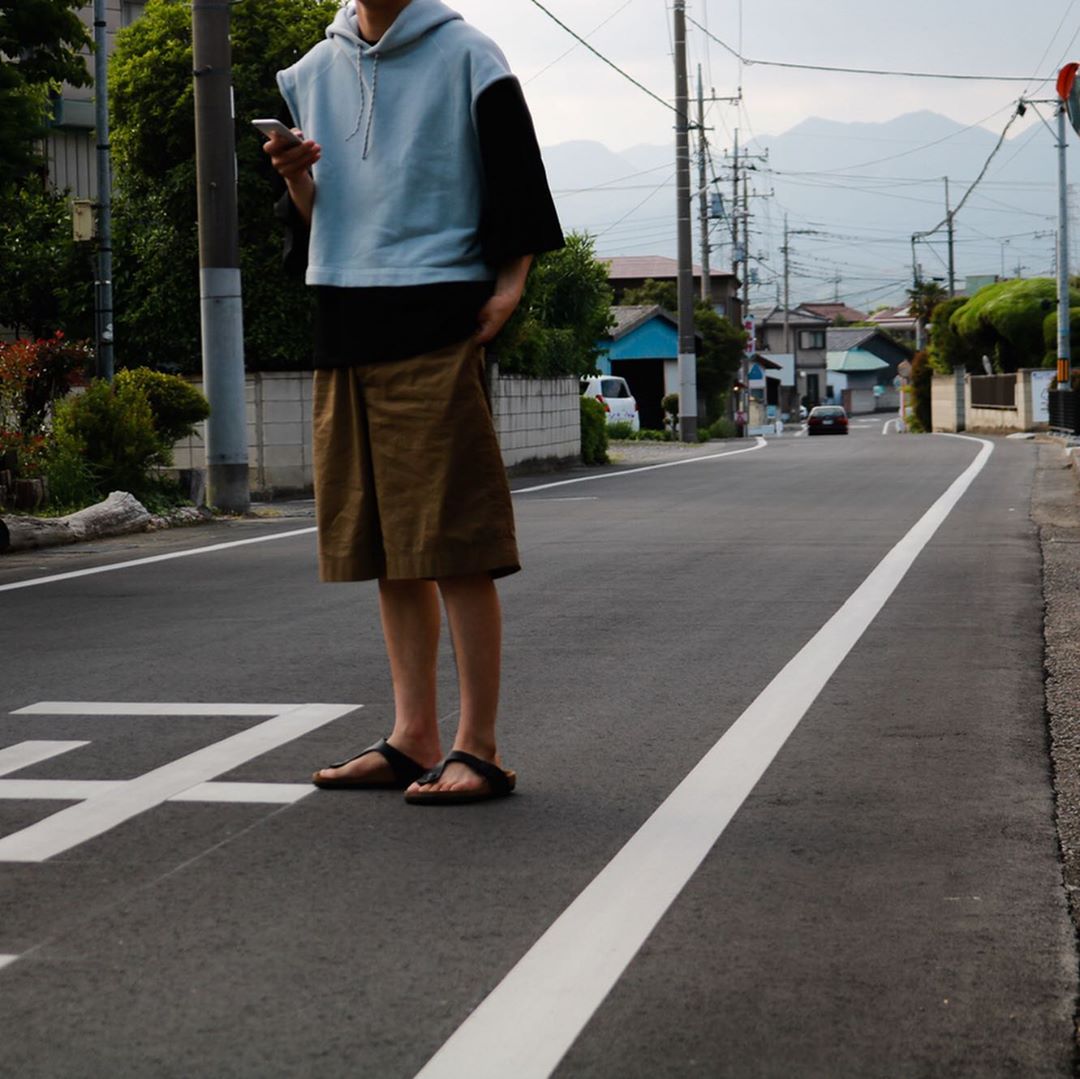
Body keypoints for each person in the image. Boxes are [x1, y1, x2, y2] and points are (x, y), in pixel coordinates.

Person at [264, 0, 563, 805]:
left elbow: (517, 178)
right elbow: (317, 218)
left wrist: (511, 283)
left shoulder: (469, 55)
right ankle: (413, 735)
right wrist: (296, 177)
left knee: (455, 541)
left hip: (436, 317)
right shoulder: (313, 70)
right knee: (387, 546)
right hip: (344, 323)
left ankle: (480, 747)